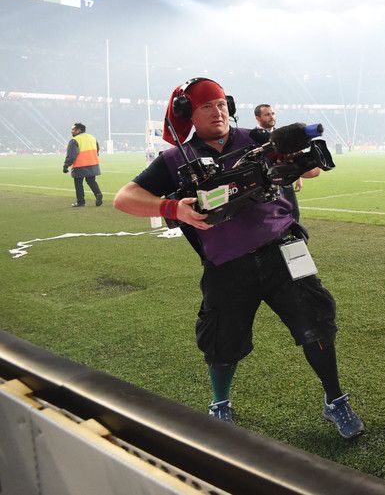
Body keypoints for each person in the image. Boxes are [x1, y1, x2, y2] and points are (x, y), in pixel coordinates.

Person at [112, 78, 365, 438]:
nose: (217, 112)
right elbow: (124, 198)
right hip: (226, 264)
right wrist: (173, 208)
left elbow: (311, 170)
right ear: (188, 115)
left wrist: (291, 159)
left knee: (316, 323)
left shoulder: (258, 139)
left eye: (221, 105)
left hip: (284, 249)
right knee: (222, 342)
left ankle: (335, 399)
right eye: (206, 107)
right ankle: (220, 403)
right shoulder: (175, 160)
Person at [254, 103, 302, 222]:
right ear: (258, 118)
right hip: (264, 185)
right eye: (267, 114)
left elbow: (293, 156)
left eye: (273, 113)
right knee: (268, 218)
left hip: (285, 181)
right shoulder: (251, 136)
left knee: (293, 214)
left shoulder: (283, 135)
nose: (272, 117)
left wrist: (299, 177)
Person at [62, 123, 103, 207]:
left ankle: (81, 202)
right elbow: (97, 150)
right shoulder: (92, 138)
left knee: (78, 183)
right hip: (93, 164)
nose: (71, 131)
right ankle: (98, 194)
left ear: (78, 130)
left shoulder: (75, 140)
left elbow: (71, 155)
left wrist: (66, 166)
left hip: (79, 165)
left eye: (73, 129)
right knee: (91, 181)